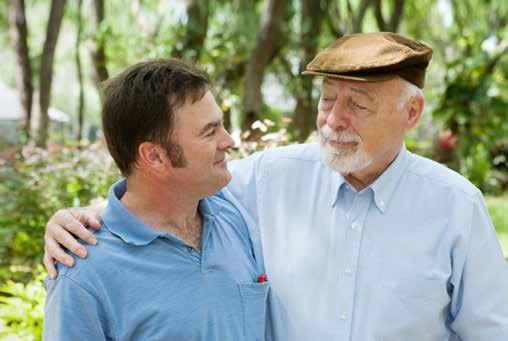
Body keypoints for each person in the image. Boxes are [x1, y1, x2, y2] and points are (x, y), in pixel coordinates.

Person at [43, 32, 508, 340]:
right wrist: (78, 220)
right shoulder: (270, 179)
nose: (333, 120)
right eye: (327, 100)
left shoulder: (455, 206)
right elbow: (160, 187)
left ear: (411, 113)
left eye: (358, 105)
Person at [43, 59, 269, 340]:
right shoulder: (83, 272)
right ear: (155, 156)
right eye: (209, 132)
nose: (229, 141)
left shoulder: (235, 215)